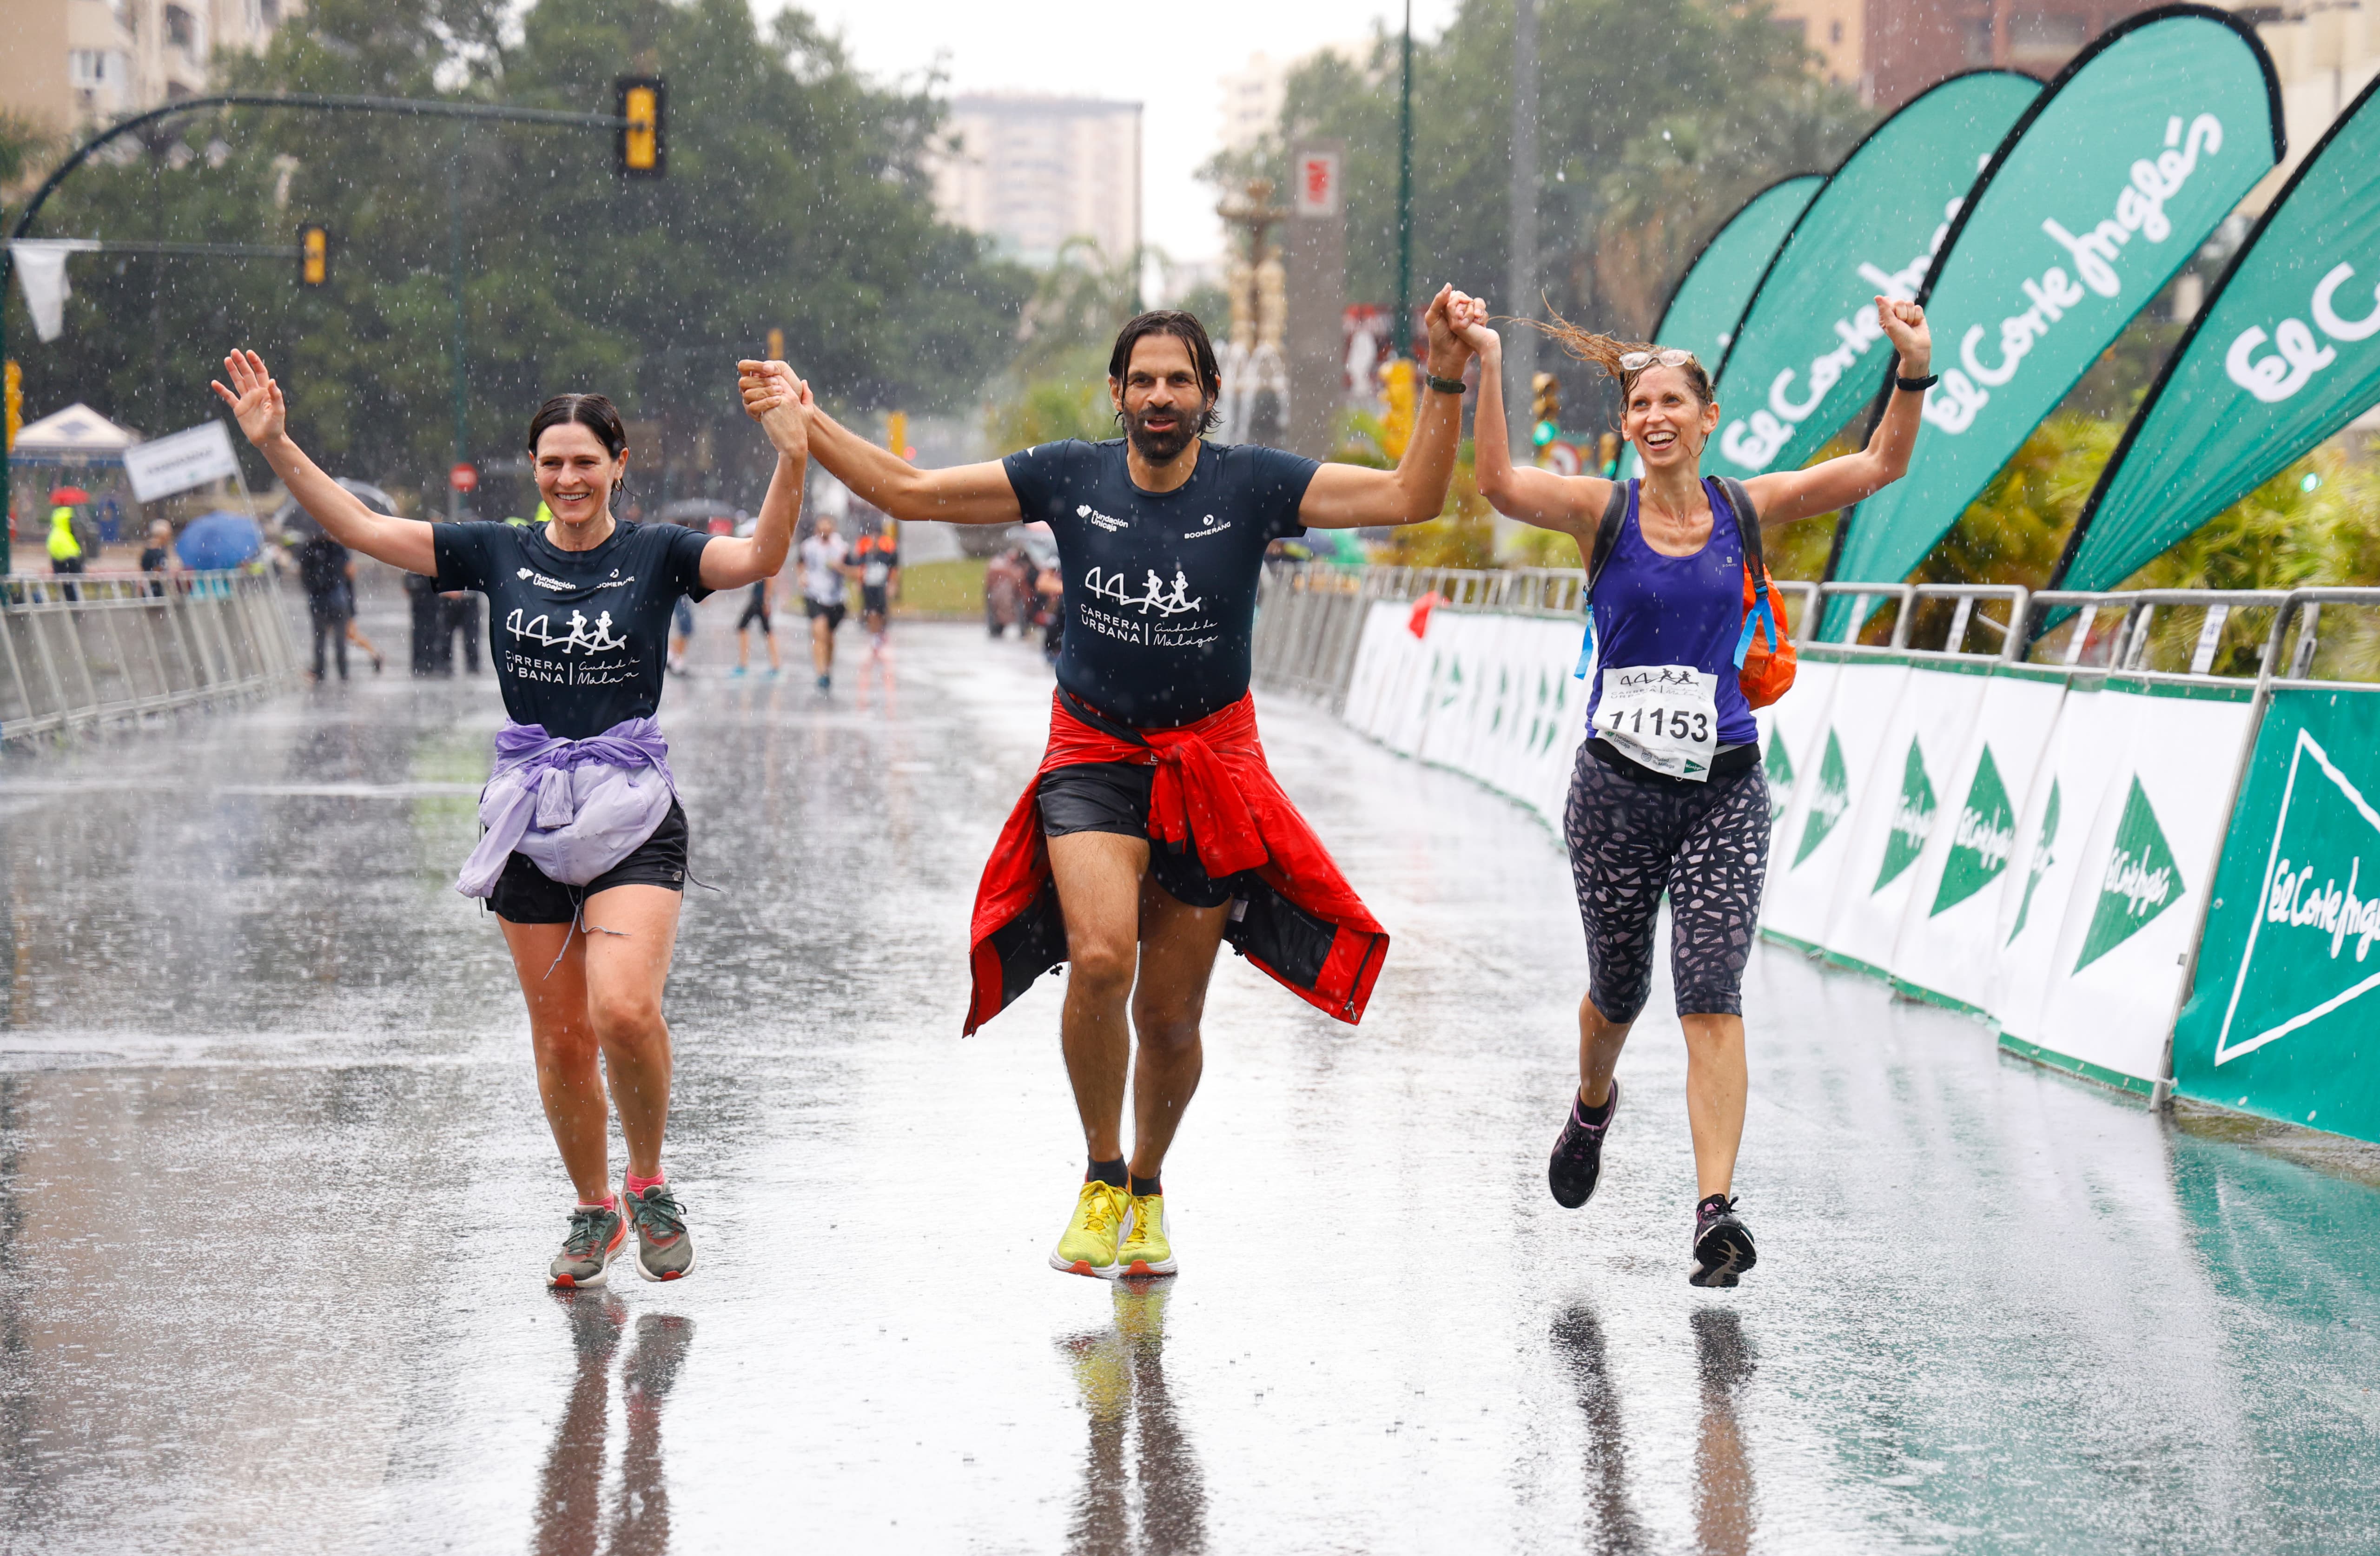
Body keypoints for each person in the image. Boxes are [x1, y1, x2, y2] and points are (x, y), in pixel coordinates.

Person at [740, 292, 1474, 1280]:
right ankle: (1097, 1172)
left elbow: (1409, 498)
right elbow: (911, 491)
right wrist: (807, 418)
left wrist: (1441, 373)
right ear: (1118, 394)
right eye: (1143, 380)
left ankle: (1147, 1188)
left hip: (1209, 763)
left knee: (1171, 1020)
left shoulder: (1253, 483)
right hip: (1092, 753)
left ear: (1208, 395)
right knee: (1097, 959)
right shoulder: (1068, 475)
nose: (1160, 396)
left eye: (1179, 380)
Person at [215, 347, 806, 1288]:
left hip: (629, 810)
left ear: (619, 466)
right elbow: (364, 528)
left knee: (622, 1007)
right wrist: (278, 445)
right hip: (529, 814)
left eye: (585, 462)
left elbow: (763, 556)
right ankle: (592, 1211)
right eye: (551, 463)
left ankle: (648, 1182)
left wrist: (792, 453)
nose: (568, 479)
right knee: (563, 1037)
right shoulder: (498, 550)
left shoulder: (657, 555)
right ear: (535, 471)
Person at [1453, 289, 1934, 1287]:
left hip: (1724, 784)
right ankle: (1592, 1104)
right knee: (1620, 990)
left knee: (1711, 991)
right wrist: (1486, 363)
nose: (1656, 417)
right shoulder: (1603, 512)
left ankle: (1715, 1210)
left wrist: (1912, 366)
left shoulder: (1743, 508)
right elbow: (1497, 483)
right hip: (1616, 793)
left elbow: (1880, 465)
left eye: (1674, 401)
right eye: (1640, 406)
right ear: (1628, 426)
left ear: (1707, 419)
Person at [798, 510, 851, 692]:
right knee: (819, 632)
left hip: (836, 598)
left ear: (833, 528)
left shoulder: (841, 547)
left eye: (828, 526)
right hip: (814, 594)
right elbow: (801, 564)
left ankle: (827, 670)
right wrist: (802, 576)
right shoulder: (808, 547)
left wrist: (840, 568)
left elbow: (855, 571)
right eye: (821, 527)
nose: (824, 530)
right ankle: (820, 673)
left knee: (829, 637)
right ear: (816, 529)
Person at [294, 524, 354, 681]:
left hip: (318, 599)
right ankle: (343, 672)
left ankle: (320, 672)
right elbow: (350, 572)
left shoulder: (308, 549)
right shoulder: (338, 549)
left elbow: (301, 572)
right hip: (338, 599)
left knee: (319, 638)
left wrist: (310, 587)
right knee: (340, 639)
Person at [850, 521, 899, 658]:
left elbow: (893, 571)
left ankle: (881, 631)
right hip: (869, 586)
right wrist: (859, 584)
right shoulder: (865, 555)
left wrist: (892, 585)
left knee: (881, 612)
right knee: (871, 612)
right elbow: (860, 571)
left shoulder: (886, 555)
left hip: (881, 586)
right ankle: (874, 635)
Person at [732, 567, 782, 677]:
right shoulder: (764, 557)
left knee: (744, 627)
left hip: (759, 600)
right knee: (767, 631)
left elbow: (771, 578)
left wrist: (767, 600)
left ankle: (744, 664)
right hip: (759, 599)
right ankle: (776, 664)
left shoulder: (766, 559)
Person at [45, 498, 83, 600]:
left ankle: (66, 601)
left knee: (63, 581)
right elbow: (75, 533)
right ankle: (73, 603)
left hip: (55, 546)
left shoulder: (56, 515)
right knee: (74, 580)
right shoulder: (70, 516)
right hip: (68, 550)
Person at [139, 520, 174, 597]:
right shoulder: (156, 551)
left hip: (154, 586)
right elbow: (157, 569)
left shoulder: (153, 549)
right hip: (154, 587)